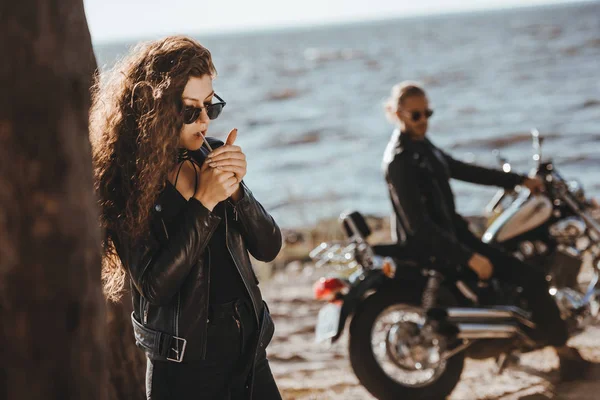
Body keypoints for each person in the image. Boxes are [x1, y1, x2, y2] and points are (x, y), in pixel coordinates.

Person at [91, 35, 283, 399]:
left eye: (211, 106)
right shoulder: (126, 183)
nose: (205, 121)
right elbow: (155, 286)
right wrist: (203, 205)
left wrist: (240, 193)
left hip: (249, 354)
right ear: (156, 108)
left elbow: (269, 247)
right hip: (185, 370)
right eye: (190, 110)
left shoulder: (211, 155)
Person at [382, 81, 591, 380]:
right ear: (397, 113)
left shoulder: (421, 147)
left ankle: (520, 346)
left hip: (454, 237)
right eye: (416, 115)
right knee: (530, 278)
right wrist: (467, 257)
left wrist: (519, 180)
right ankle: (564, 354)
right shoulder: (400, 160)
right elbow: (419, 227)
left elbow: (463, 169)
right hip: (440, 247)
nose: (424, 120)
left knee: (514, 258)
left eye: (428, 112)